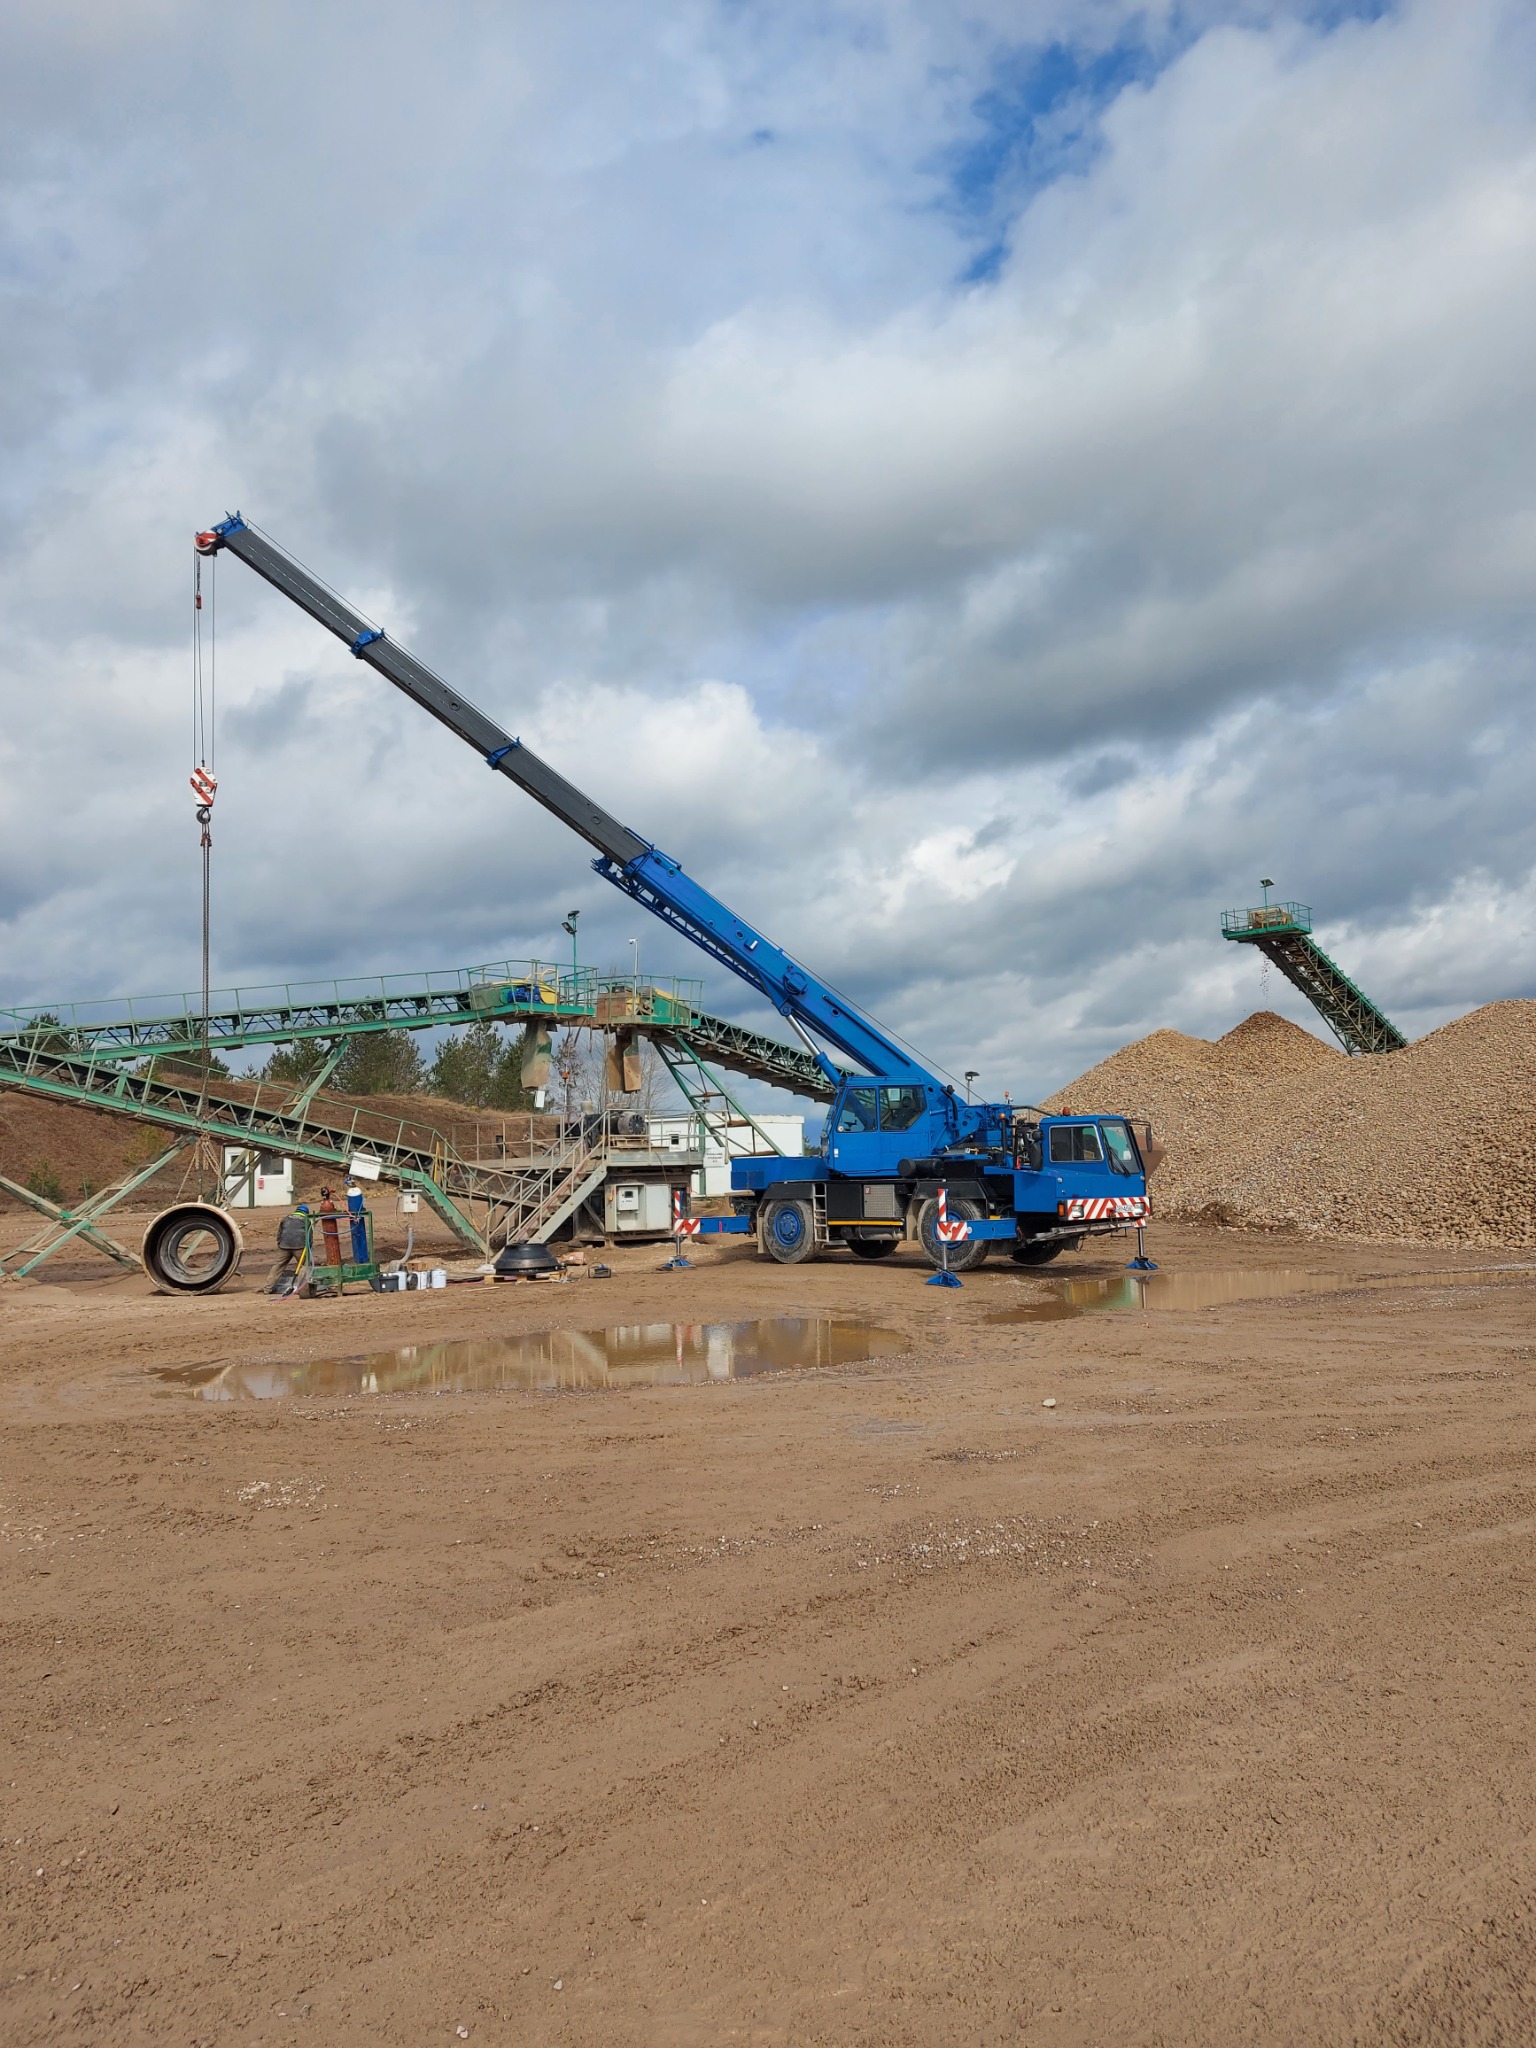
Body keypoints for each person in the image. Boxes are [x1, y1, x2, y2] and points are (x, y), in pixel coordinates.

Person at [266, 1202, 311, 1294]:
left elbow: (279, 1233)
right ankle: (303, 1289)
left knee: (278, 1266)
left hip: (284, 1246)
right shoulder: (306, 1220)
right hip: (299, 1246)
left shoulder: (286, 1218)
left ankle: (268, 1288)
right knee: (306, 1266)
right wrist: (308, 1247)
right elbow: (309, 1236)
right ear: (306, 1212)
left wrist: (280, 1243)